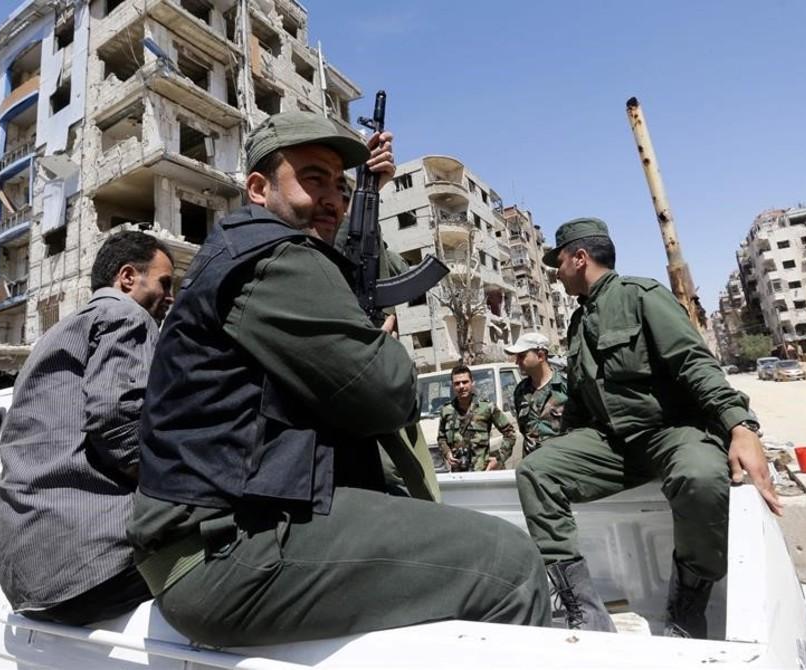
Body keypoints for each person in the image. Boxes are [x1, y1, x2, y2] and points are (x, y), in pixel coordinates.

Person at [129, 111, 549, 647]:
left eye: (340, 185)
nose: (332, 197)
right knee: (509, 563)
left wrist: (371, 193)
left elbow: (355, 271)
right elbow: (386, 393)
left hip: (222, 537)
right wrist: (378, 337)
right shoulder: (274, 257)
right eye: (312, 178)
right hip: (227, 553)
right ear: (257, 188)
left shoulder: (245, 248)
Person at [516, 217, 781, 638]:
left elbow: (694, 363)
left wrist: (740, 425)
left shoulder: (642, 296)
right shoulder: (578, 323)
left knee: (700, 477)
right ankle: (585, 611)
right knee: (536, 470)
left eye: (559, 262)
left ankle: (688, 605)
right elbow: (582, 404)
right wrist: (562, 446)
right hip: (614, 444)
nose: (556, 272)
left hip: (671, 433)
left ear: (580, 258)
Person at [0, 230, 174, 625]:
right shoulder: (127, 315)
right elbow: (117, 420)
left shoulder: (54, 337)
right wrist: (172, 485)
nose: (170, 296)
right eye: (165, 282)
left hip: (23, 581)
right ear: (128, 278)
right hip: (92, 570)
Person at [437, 365, 518, 472]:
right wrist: (447, 453)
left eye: (465, 382)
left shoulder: (487, 407)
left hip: (483, 472)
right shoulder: (447, 411)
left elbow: (510, 434)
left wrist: (499, 458)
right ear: (453, 386)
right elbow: (441, 438)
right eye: (457, 383)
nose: (461, 386)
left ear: (472, 383)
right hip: (458, 474)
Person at [505, 332, 568, 456]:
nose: (517, 362)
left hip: (563, 463)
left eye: (522, 356)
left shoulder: (566, 385)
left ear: (540, 356)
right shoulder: (520, 391)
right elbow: (524, 430)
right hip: (532, 466)